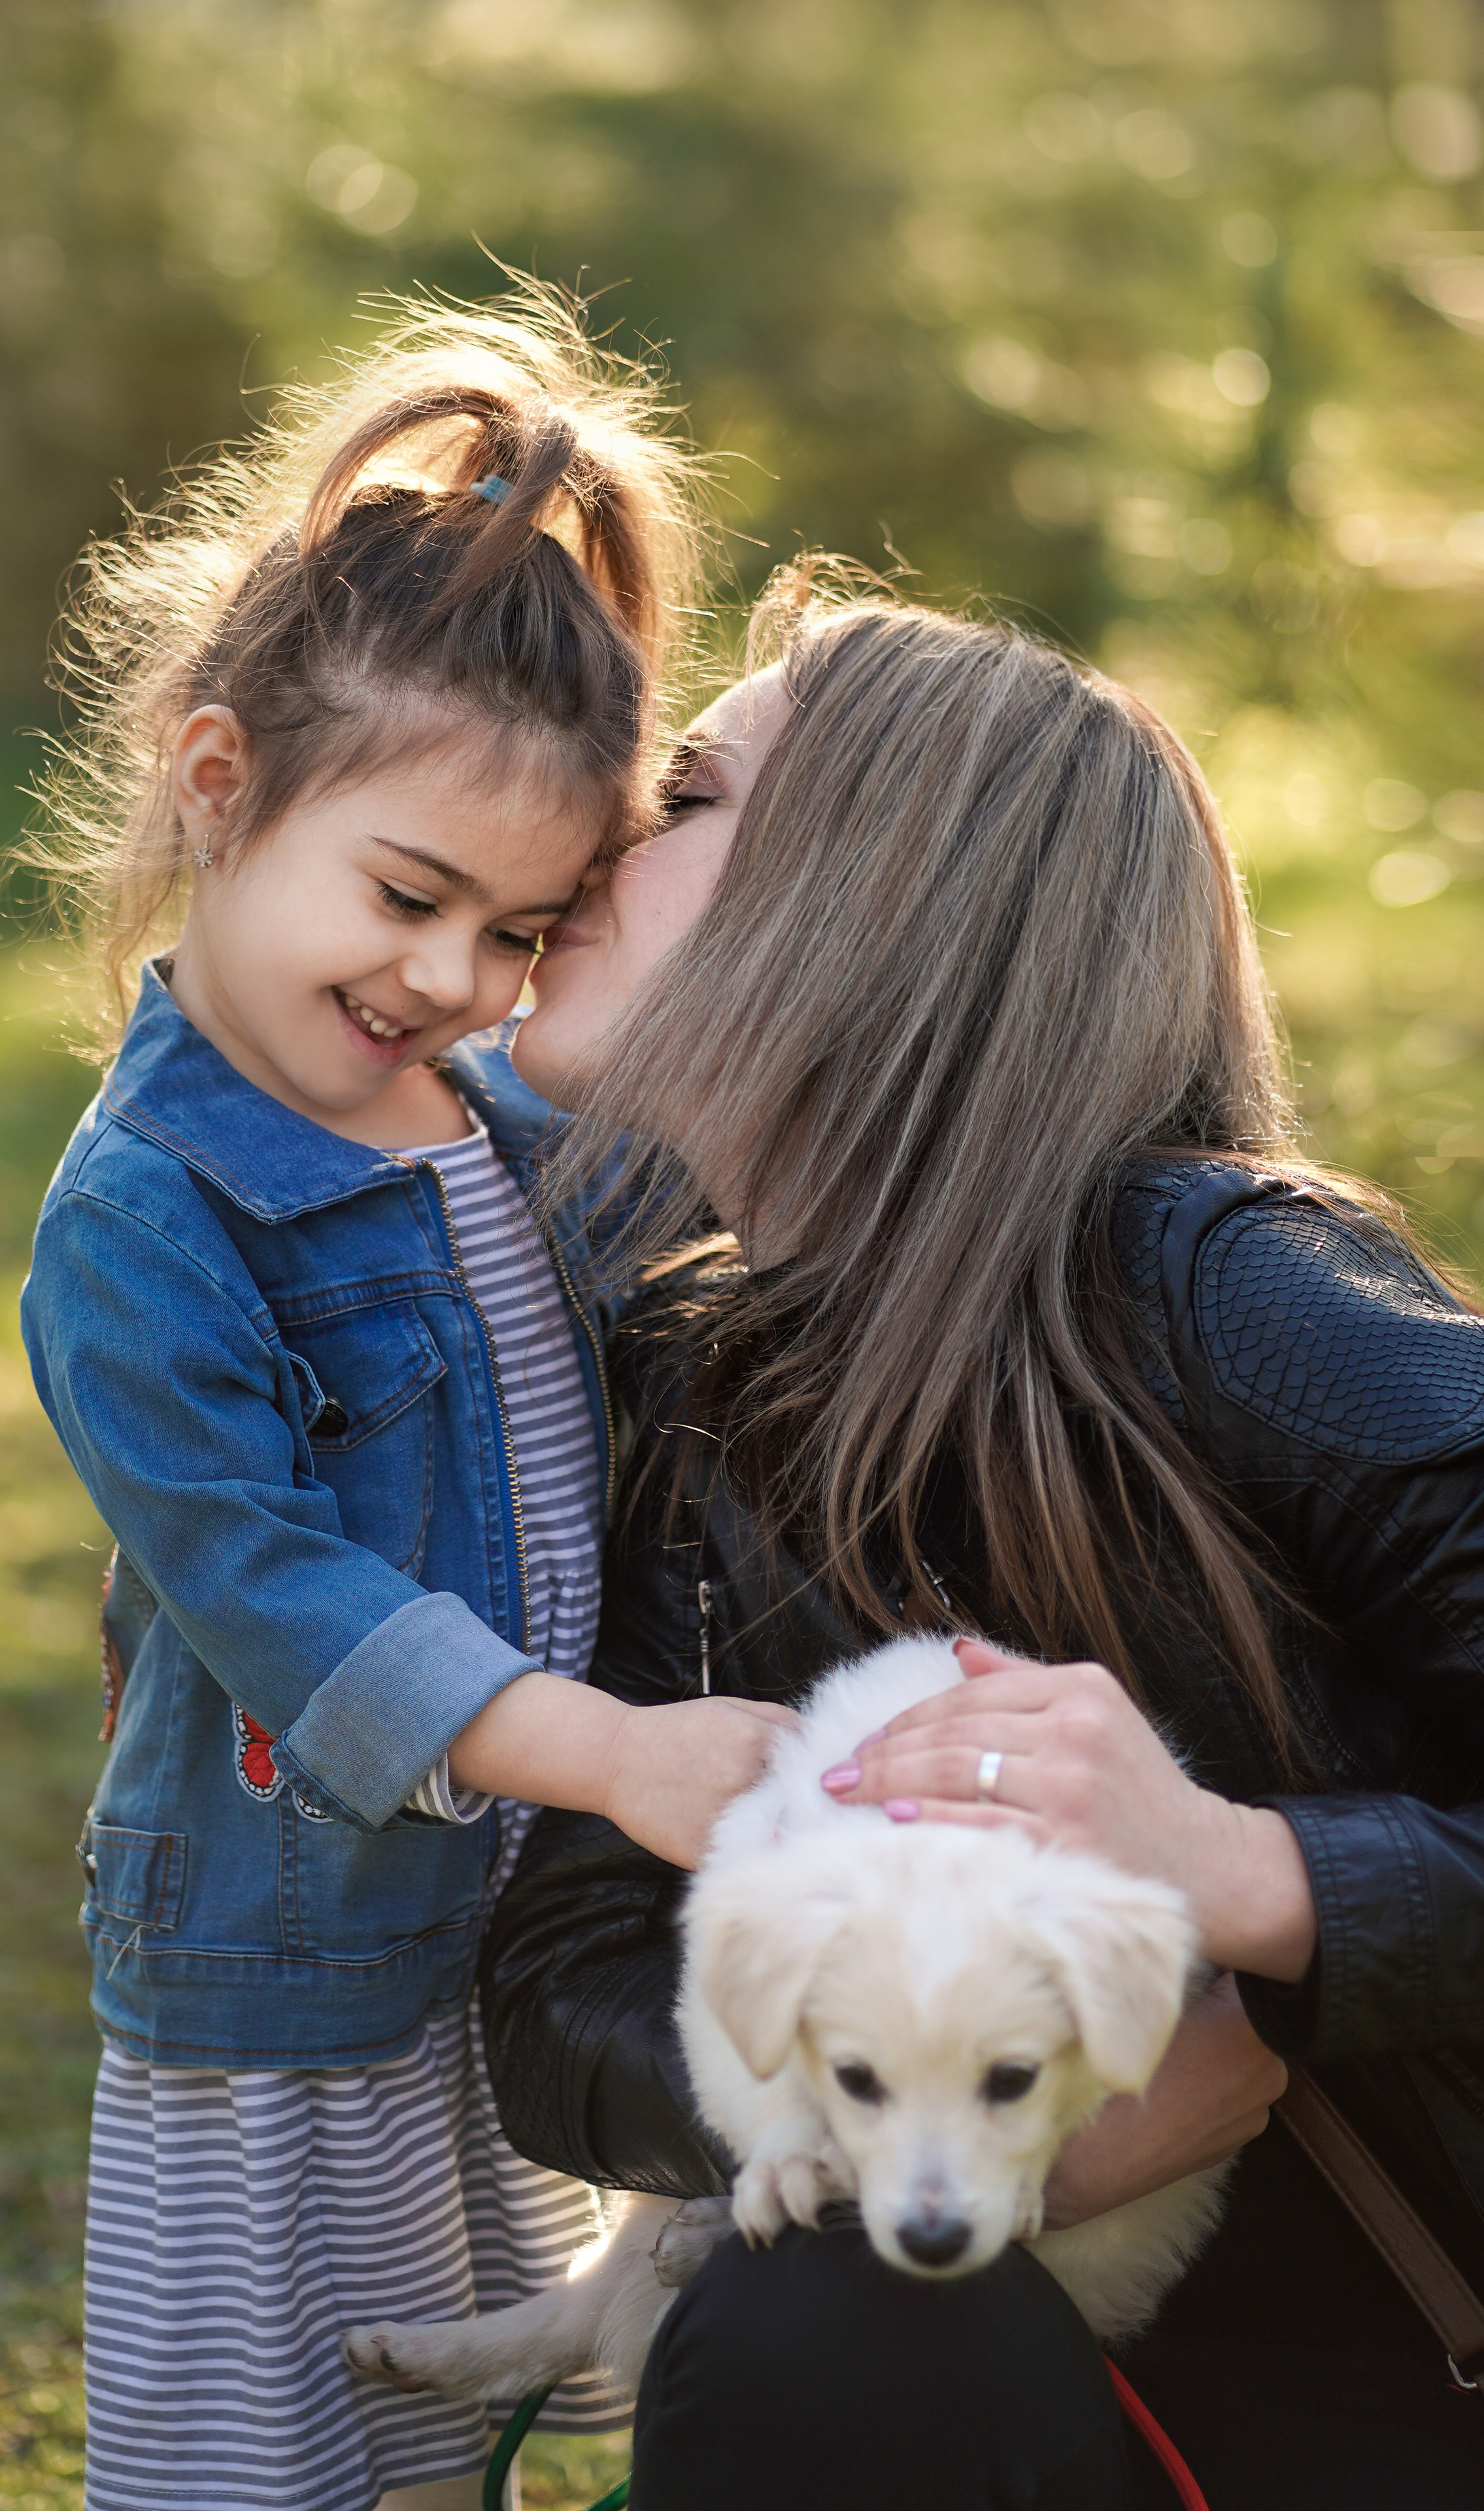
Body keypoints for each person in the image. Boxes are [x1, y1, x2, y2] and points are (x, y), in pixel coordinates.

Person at [483, 568, 1484, 2509]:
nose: (598, 828)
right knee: (819, 2322)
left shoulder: (1231, 1296)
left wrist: (1249, 1880)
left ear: (884, 898)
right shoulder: (670, 1365)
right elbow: (556, 1982)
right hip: (1027, 2343)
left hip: (1403, 2355)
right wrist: (916, 2095)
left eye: (687, 793)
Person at [16, 295, 791, 2511]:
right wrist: (626, 1757)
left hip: (489, 1915)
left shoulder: (480, 1117)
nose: (453, 979)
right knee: (272, 2460)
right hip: (287, 1956)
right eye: (411, 897)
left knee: (442, 2426)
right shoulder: (149, 1222)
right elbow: (282, 1596)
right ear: (219, 783)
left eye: (525, 933)